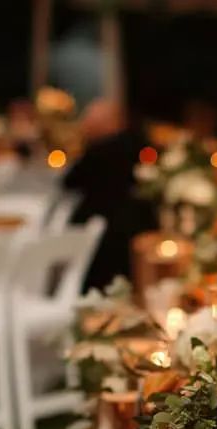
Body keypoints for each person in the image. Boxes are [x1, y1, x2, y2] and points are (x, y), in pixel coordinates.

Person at [64, 99, 156, 289]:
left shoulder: (98, 152)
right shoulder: (141, 144)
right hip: (136, 228)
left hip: (104, 236)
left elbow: (69, 182)